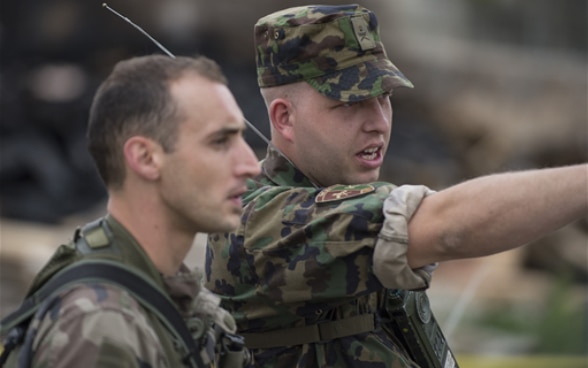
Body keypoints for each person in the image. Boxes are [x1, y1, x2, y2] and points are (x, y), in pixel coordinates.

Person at [204, 4, 588, 368]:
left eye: (384, 97)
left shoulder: (335, 194)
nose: (380, 122)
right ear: (285, 118)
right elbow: (447, 229)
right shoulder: (256, 221)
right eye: (351, 103)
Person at [0, 54, 261, 367]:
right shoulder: (100, 327)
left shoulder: (174, 292)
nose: (249, 165)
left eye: (242, 139)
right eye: (220, 141)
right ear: (146, 158)